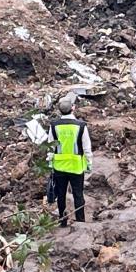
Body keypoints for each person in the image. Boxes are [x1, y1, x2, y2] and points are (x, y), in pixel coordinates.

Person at [49, 95, 93, 226]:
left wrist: (50, 163)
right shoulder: (81, 126)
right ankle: (81, 221)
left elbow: (51, 146)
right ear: (73, 108)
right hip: (76, 166)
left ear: (59, 111)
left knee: (61, 194)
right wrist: (89, 164)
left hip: (59, 166)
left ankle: (62, 221)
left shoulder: (54, 126)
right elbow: (86, 147)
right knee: (78, 194)